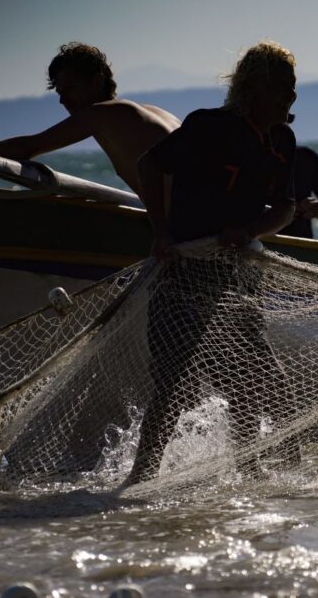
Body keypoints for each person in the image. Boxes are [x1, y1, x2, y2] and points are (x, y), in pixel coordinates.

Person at [127, 41, 298, 484]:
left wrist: (251, 231)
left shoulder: (282, 140)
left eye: (294, 90)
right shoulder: (208, 127)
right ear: (255, 88)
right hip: (184, 272)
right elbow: (150, 165)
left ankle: (249, 468)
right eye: (284, 90)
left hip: (238, 279)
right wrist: (160, 232)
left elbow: (285, 208)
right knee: (170, 384)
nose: (291, 100)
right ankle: (141, 477)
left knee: (253, 377)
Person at [0, 42, 180, 195]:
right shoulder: (155, 113)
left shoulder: (103, 114)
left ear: (97, 81)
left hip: (193, 231)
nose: (63, 100)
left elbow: (29, 147)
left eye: (71, 89)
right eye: (59, 92)